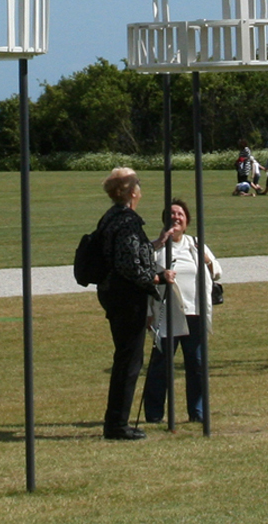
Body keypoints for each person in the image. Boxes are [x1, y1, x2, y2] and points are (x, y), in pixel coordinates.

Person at [93, 167, 174, 440]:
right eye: (137, 183)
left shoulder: (111, 217)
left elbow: (127, 254)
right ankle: (117, 424)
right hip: (127, 299)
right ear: (130, 192)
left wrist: (154, 244)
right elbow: (129, 266)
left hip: (112, 294)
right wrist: (158, 277)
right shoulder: (127, 220)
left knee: (126, 358)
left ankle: (116, 421)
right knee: (129, 361)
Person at [143, 199, 220, 424]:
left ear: (186, 222)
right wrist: (148, 313)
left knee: (196, 363)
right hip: (166, 313)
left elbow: (217, 272)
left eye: (180, 215)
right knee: (161, 365)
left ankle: (197, 412)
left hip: (193, 312)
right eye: (172, 214)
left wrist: (206, 259)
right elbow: (144, 281)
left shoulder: (196, 244)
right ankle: (155, 413)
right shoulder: (155, 248)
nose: (176, 218)